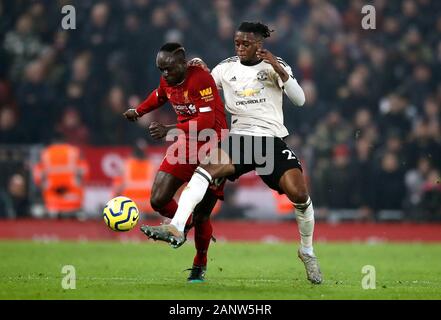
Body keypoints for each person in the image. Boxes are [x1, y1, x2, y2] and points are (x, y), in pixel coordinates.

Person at [141, 22, 323, 284]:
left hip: (270, 141)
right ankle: (177, 226)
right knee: (205, 169)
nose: (240, 48)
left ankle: (307, 251)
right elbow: (202, 89)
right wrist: (196, 71)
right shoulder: (225, 68)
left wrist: (277, 68)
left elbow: (301, 99)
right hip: (239, 139)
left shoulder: (275, 65)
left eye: (246, 43)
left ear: (259, 44)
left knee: (300, 194)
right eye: (237, 43)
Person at [123, 42, 228, 282]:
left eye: (169, 69)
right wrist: (138, 112)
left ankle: (199, 263)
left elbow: (207, 121)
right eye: (161, 69)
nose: (165, 74)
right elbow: (159, 96)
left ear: (183, 63)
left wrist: (169, 128)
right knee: (158, 199)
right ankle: (182, 226)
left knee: (203, 214)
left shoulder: (200, 78)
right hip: (186, 143)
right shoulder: (168, 80)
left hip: (215, 145)